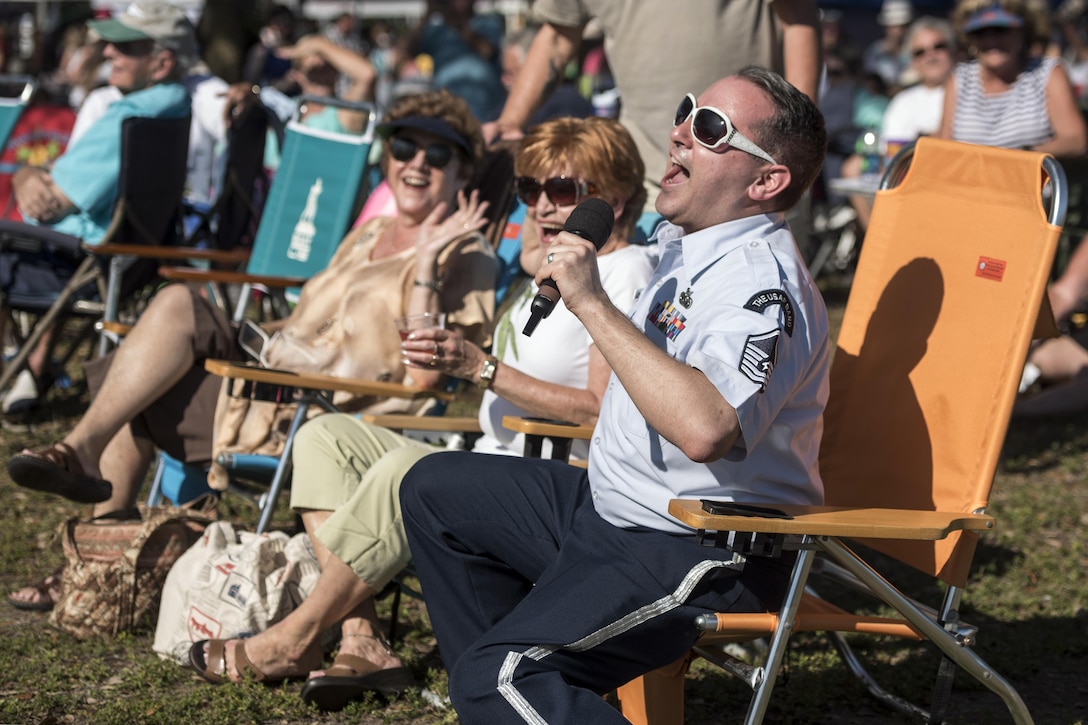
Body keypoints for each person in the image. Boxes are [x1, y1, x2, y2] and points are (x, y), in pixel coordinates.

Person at [400, 66, 829, 723]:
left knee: (495, 677)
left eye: (711, 128)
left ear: (766, 180)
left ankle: (507, 689)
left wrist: (593, 302)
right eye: (687, 111)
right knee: (435, 488)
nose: (680, 132)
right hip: (607, 511)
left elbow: (706, 427)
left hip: (700, 545)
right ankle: (524, 696)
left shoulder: (760, 286)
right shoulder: (683, 246)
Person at [186, 115, 655, 711]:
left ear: (613, 198)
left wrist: (480, 368)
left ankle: (295, 636)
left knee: (402, 473)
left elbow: (600, 410)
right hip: (490, 462)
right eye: (529, 189)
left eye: (561, 190)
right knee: (324, 437)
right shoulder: (550, 267)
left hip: (556, 485)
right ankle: (361, 638)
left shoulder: (624, 272)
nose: (540, 204)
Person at [5, 89, 497, 612]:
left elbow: (425, 381)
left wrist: (424, 264)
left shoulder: (468, 256)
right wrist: (251, 334)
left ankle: (92, 559)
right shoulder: (371, 230)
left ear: (464, 173)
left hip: (314, 413)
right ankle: (87, 481)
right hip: (270, 372)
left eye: (438, 154)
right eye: (404, 148)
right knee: (167, 322)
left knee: (143, 378)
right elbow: (318, 319)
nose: (417, 163)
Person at [0, 0, 195, 414]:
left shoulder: (130, 115)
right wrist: (26, 178)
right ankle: (27, 371)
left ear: (162, 63)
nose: (108, 53)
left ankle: (23, 371)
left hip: (79, 266)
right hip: (130, 263)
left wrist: (23, 179)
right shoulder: (173, 106)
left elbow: (48, 205)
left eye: (126, 48)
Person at [482, 0, 821, 214]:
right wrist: (511, 120)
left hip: (747, 171)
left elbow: (799, 18)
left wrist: (798, 148)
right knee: (655, 312)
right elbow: (557, 35)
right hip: (642, 168)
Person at [937, 0, 1087, 156]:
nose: (991, 41)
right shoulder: (959, 79)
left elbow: (1075, 141)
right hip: (969, 177)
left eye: (1000, 30)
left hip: (1028, 176)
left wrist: (1014, 159)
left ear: (1022, 32)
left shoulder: (1047, 72)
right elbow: (944, 145)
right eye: (980, 32)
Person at [864, 0, 915, 91]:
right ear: (886, 26)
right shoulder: (874, 52)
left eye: (903, 26)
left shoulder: (918, 50)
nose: (898, 31)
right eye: (894, 26)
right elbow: (870, 84)